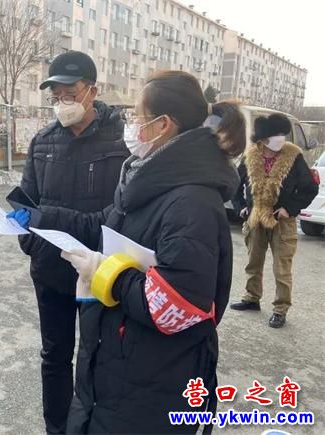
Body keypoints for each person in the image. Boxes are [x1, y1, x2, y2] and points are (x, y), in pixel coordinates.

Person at [19, 71, 245, 433]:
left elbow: (175, 306)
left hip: (153, 377)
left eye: (137, 115)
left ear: (163, 125)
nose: (131, 124)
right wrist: (41, 218)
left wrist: (105, 272)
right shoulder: (148, 178)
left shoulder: (191, 203)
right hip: (122, 360)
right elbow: (102, 224)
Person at [8, 51, 129, 434]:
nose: (62, 103)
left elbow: (121, 214)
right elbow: (26, 200)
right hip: (51, 269)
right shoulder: (43, 141)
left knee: (99, 358)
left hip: (100, 271)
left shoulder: (122, 144)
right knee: (55, 356)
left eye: (70, 94)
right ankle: (57, 428)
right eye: (56, 96)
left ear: (92, 91)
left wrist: (54, 221)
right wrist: (30, 241)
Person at [230, 114, 318, 328]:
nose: (281, 137)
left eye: (282, 133)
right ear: (263, 139)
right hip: (255, 218)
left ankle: (280, 309)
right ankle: (251, 298)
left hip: (282, 222)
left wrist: (290, 209)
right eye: (276, 134)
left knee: (282, 268)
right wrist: (241, 207)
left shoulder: (293, 156)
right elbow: (234, 185)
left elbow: (309, 188)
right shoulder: (251, 156)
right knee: (253, 262)